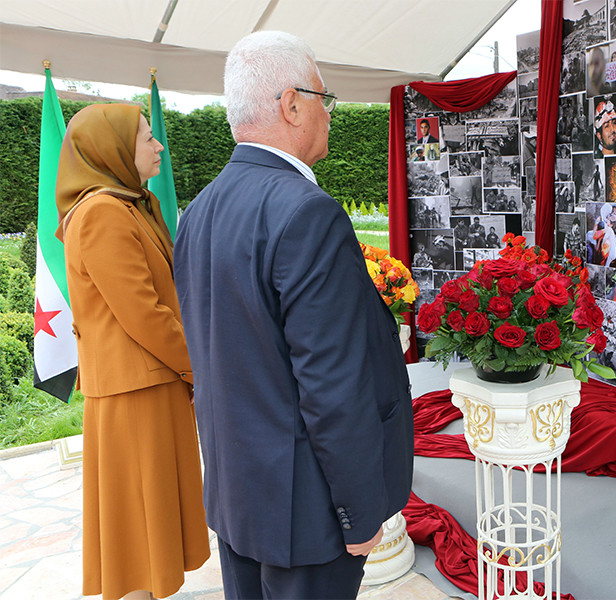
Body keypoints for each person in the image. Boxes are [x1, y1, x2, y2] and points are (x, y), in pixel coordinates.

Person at [173, 31, 413, 599]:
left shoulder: (200, 208)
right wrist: (359, 511)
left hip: (241, 496)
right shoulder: (308, 212)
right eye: (324, 100)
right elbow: (332, 383)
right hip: (305, 511)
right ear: (291, 104)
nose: (329, 116)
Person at [56, 103, 210, 600]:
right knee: (139, 531)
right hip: (135, 390)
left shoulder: (125, 203)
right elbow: (142, 312)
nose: (158, 144)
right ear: (114, 149)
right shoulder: (102, 212)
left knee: (146, 526)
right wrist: (200, 365)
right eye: (148, 137)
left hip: (148, 382)